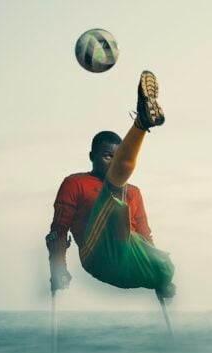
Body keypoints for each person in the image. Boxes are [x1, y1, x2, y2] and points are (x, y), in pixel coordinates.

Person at [46, 70, 175, 298]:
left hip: (127, 260)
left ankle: (162, 274)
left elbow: (144, 234)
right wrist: (58, 268)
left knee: (165, 265)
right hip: (98, 256)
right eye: (107, 156)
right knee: (115, 201)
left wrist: (161, 281)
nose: (112, 162)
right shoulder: (75, 183)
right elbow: (58, 230)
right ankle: (142, 122)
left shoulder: (134, 193)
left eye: (117, 157)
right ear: (91, 156)